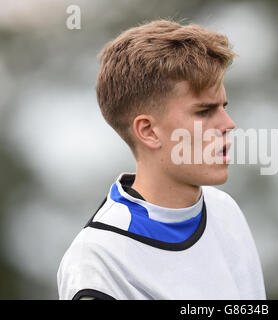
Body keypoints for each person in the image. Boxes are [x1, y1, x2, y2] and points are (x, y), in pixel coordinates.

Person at [57, 19, 266, 300]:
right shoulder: (98, 260)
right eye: (204, 111)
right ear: (148, 131)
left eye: (224, 107)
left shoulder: (225, 211)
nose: (228, 123)